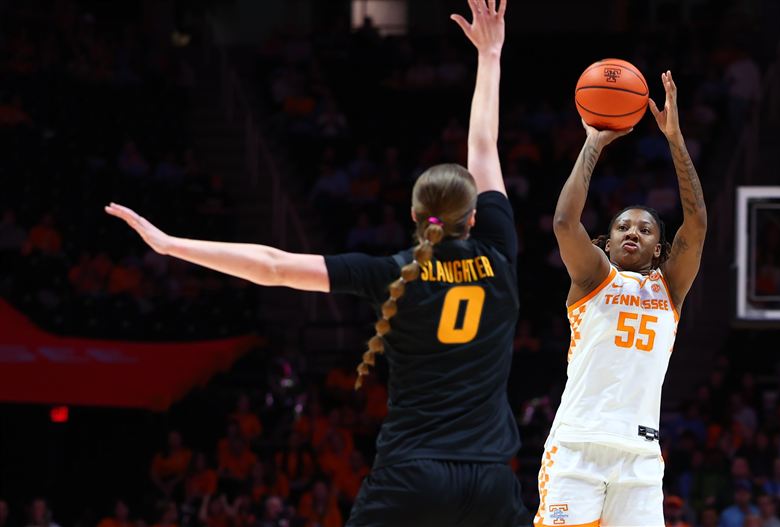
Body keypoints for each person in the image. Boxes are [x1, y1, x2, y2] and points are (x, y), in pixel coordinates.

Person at [105, 1, 525, 524]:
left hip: (413, 474)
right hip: (489, 478)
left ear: (418, 216)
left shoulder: (393, 272)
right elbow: (483, 146)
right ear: (475, 216)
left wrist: (172, 245)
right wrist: (491, 55)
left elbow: (274, 265)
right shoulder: (500, 250)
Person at [534, 69, 708, 527]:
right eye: (623, 227)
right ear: (606, 244)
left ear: (659, 249)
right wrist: (593, 142)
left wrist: (674, 139)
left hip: (641, 456)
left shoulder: (669, 288)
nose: (633, 231)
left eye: (646, 228)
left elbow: (698, 226)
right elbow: (563, 224)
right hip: (577, 447)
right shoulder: (594, 277)